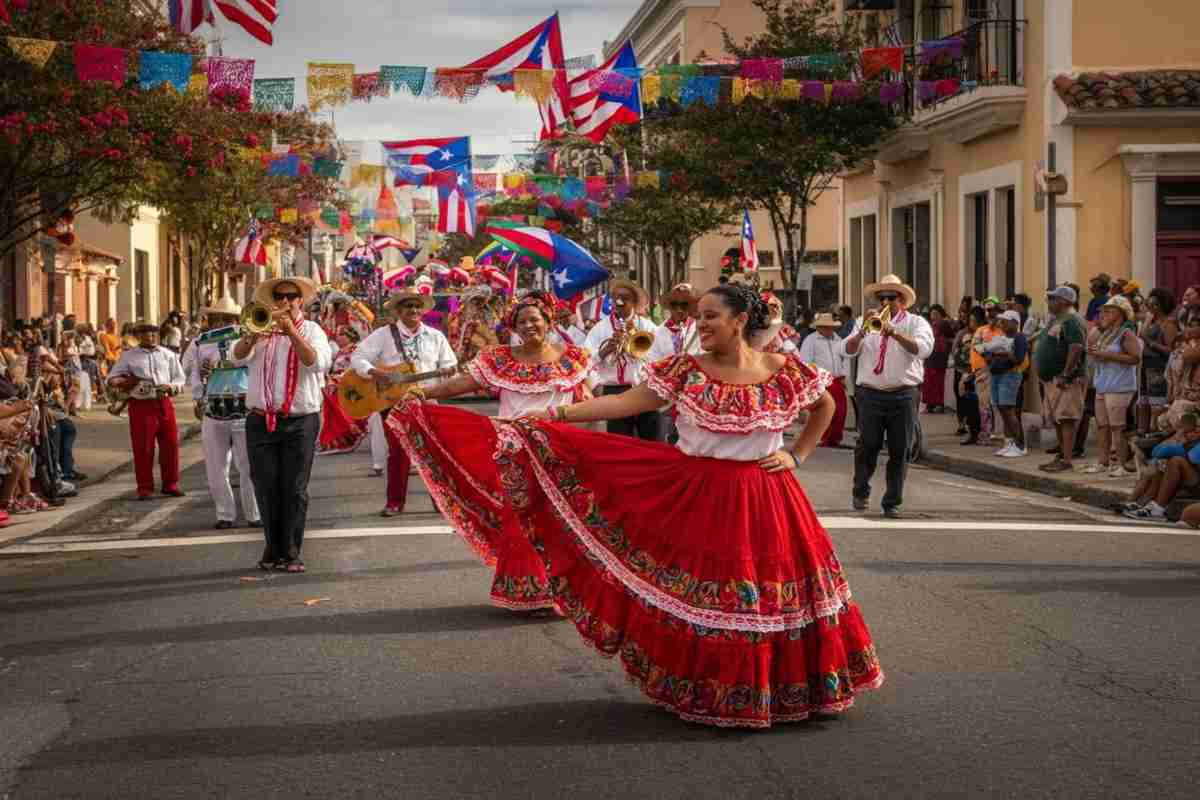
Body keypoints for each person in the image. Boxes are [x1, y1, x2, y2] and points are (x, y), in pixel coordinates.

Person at [392, 283, 883, 727]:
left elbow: (825, 405)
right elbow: (625, 403)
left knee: (774, 595)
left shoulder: (781, 369)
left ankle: (787, 688)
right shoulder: (685, 370)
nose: (701, 324)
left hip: (767, 494)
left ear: (739, 320)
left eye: (711, 316)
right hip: (701, 492)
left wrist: (796, 455)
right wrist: (556, 414)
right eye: (699, 316)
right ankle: (711, 686)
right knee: (705, 594)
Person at [403, 291, 594, 612]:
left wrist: (587, 443)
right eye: (522, 321)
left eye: (535, 319)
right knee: (521, 520)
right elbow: (460, 384)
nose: (529, 325)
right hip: (514, 450)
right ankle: (528, 591)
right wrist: (423, 392)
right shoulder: (500, 359)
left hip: (558, 451)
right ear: (514, 327)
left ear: (548, 322)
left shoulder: (573, 358)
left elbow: (587, 401)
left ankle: (564, 591)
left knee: (560, 520)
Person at [234, 277, 333, 573]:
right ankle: (272, 545)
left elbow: (316, 363)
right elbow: (237, 358)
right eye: (279, 296)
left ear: (301, 301)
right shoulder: (261, 327)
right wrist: (252, 336)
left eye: (291, 296)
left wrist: (291, 332)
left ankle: (290, 551)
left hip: (300, 420)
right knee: (265, 486)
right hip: (260, 419)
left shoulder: (312, 330)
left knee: (294, 488)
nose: (285, 301)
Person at [350, 287, 457, 518]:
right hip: (393, 401)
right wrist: (376, 373)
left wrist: (449, 371)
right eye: (408, 306)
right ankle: (395, 503)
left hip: (426, 399)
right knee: (398, 453)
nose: (414, 310)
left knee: (433, 452)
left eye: (417, 306)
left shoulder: (435, 336)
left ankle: (440, 502)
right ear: (398, 311)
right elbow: (358, 358)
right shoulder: (383, 335)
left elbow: (450, 363)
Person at [843, 274, 934, 518]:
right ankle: (860, 490)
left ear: (902, 300)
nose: (885, 302)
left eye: (891, 297)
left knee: (900, 449)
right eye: (881, 297)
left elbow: (923, 349)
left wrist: (894, 333)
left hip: (903, 394)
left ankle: (892, 501)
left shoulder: (916, 323)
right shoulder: (864, 321)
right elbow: (847, 350)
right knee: (867, 445)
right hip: (870, 393)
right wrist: (862, 332)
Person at [189, 297, 261, 530]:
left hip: (244, 407)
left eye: (227, 318)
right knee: (216, 466)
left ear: (237, 319)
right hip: (214, 407)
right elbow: (190, 370)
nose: (222, 322)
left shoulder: (250, 337)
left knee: (249, 465)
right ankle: (225, 514)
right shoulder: (200, 342)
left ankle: (254, 514)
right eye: (218, 318)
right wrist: (198, 391)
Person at [107, 320, 187, 499]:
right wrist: (124, 382)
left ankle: (171, 484)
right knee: (143, 447)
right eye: (146, 334)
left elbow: (180, 378)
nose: (151, 337)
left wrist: (171, 386)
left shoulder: (168, 354)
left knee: (171, 445)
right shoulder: (129, 356)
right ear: (138, 336)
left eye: (153, 333)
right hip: (141, 405)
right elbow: (111, 378)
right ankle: (144, 487)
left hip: (164, 402)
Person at [582, 278, 659, 440]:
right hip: (614, 390)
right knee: (620, 441)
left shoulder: (648, 327)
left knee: (651, 440)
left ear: (634, 302)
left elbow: (661, 358)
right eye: (615, 298)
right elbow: (585, 361)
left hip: (645, 389)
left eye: (625, 298)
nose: (619, 302)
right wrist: (605, 351)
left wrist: (635, 351)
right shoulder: (600, 328)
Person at [1082, 296, 1141, 477]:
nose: (1103, 314)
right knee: (1102, 426)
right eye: (1103, 311)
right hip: (1103, 385)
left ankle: (1121, 464)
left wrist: (1106, 355)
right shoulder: (1106, 333)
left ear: (1121, 313)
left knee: (1118, 427)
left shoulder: (1126, 334)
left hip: (1119, 386)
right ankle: (1103, 462)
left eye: (1109, 311)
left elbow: (1135, 358)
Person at [1035, 285, 1088, 473]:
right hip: (1052, 379)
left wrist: (1066, 373)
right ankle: (1061, 456)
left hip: (1066, 379)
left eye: (1053, 299)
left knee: (1066, 418)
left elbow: (1076, 347)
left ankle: (1067, 459)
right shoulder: (1057, 320)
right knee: (1058, 419)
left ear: (1065, 301)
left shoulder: (1072, 320)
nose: (1049, 302)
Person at [318, 327, 370, 455]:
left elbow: (355, 368)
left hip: (353, 383)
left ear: (350, 336)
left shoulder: (356, 350)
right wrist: (330, 378)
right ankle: (338, 436)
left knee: (332, 393)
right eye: (337, 334)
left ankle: (351, 429)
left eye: (342, 334)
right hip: (337, 382)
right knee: (328, 391)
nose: (338, 337)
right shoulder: (340, 352)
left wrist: (337, 380)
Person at [799, 312, 849, 447]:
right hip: (820, 380)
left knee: (840, 411)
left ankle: (835, 438)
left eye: (830, 327)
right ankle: (823, 437)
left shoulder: (838, 340)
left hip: (837, 380)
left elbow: (845, 359)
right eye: (825, 327)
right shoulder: (811, 340)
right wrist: (811, 380)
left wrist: (844, 375)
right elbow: (805, 361)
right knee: (825, 410)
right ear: (819, 327)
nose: (828, 329)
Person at [987, 310, 1029, 457]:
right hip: (996, 374)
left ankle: (1020, 445)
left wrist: (1002, 353)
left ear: (1015, 323)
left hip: (1010, 375)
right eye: (1001, 322)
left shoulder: (1019, 337)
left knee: (1008, 409)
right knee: (1002, 409)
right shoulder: (1001, 337)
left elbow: (1018, 359)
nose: (1002, 324)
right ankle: (1009, 443)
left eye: (1005, 322)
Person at [1139, 288, 1177, 434]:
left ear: (1160, 305)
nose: (1150, 306)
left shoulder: (1168, 324)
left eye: (1153, 303)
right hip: (1145, 366)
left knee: (1157, 405)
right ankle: (1144, 432)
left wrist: (1150, 342)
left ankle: (1157, 433)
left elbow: (1171, 350)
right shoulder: (1151, 321)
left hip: (1158, 368)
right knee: (1143, 402)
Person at [954, 307, 986, 445]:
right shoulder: (967, 335)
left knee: (980, 405)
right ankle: (972, 432)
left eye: (972, 320)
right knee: (969, 403)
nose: (970, 323)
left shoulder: (984, 333)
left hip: (980, 372)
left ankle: (981, 433)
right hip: (968, 372)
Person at [922, 304, 954, 413]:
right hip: (929, 357)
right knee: (928, 382)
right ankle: (929, 404)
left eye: (936, 314)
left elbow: (951, 338)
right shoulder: (929, 326)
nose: (933, 316)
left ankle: (939, 404)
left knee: (938, 382)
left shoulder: (944, 324)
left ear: (941, 315)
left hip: (940, 357)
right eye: (932, 314)